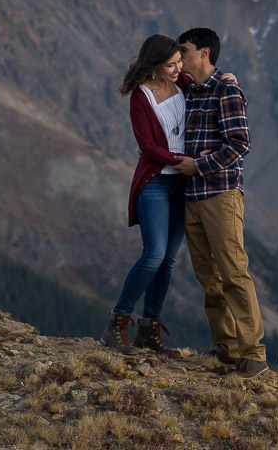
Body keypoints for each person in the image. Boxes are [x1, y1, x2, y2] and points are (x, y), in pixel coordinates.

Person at [173, 27, 268, 377]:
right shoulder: (190, 91)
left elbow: (239, 143)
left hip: (221, 194)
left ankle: (254, 354)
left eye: (184, 50)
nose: (178, 56)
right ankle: (227, 350)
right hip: (193, 196)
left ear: (204, 53)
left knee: (233, 273)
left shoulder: (225, 88)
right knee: (208, 278)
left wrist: (198, 165)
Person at [100, 34, 190, 357]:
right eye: (171, 65)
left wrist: (228, 78)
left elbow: (213, 86)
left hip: (181, 184)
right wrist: (180, 161)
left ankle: (149, 329)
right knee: (153, 255)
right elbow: (148, 147)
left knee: (167, 261)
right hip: (155, 182)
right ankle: (117, 322)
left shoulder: (184, 84)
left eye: (180, 62)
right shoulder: (140, 97)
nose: (179, 68)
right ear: (154, 66)